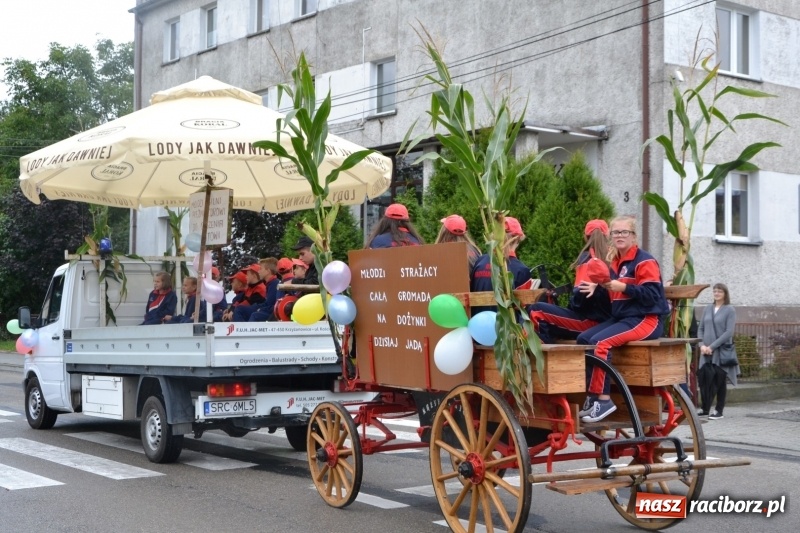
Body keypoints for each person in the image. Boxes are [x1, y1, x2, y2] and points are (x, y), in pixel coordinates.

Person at [576, 215, 669, 423]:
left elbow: (653, 295)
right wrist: (597, 286)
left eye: (624, 232)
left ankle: (604, 400)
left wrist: (624, 287)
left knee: (600, 343)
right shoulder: (615, 262)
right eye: (615, 232)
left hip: (646, 319)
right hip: (623, 318)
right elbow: (611, 291)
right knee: (584, 340)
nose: (619, 236)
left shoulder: (644, 260)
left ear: (633, 236)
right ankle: (592, 397)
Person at [528, 219, 612, 343]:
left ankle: (545, 355)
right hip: (609, 321)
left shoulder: (587, 260)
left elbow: (579, 302)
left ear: (585, 237)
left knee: (536, 310)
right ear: (607, 235)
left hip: (591, 323)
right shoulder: (613, 257)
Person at [470, 216, 532, 314]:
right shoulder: (522, 270)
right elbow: (523, 308)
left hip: (476, 323)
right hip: (505, 328)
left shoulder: (480, 261)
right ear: (517, 239)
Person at [697, 283, 738, 420]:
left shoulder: (729, 310)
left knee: (719, 381)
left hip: (720, 351)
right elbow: (700, 328)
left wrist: (712, 347)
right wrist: (702, 345)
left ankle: (719, 410)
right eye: (715, 291)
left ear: (725, 293)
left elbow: (728, 332)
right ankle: (705, 409)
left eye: (719, 291)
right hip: (705, 351)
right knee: (705, 379)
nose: (716, 293)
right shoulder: (707, 308)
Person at [244, 258, 280, 322]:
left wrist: (259, 309)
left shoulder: (274, 284)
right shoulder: (270, 283)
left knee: (254, 315)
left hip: (273, 314)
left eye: (260, 269)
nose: (258, 271)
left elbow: (270, 304)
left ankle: (244, 331)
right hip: (270, 311)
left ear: (268, 271)